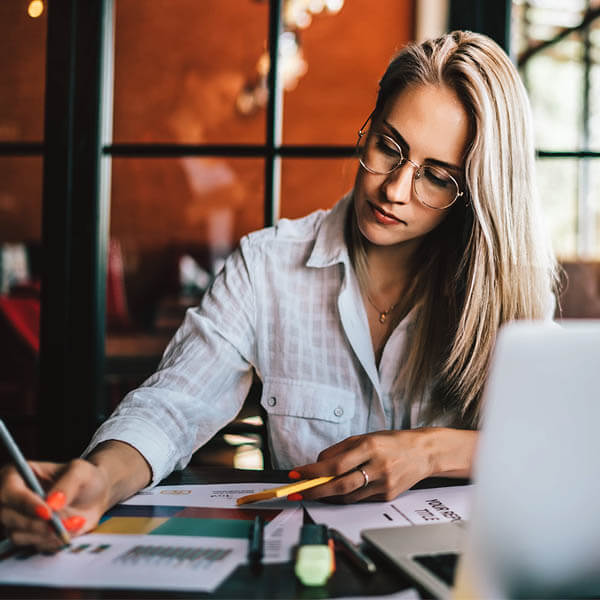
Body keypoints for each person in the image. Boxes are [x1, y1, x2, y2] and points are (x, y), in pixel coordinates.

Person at [0, 30, 558, 551]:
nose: (394, 189)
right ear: (369, 126)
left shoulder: (507, 290)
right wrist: (100, 477)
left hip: (463, 568)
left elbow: (567, 445)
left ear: (476, 193)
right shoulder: (268, 266)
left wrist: (431, 449)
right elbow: (172, 407)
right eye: (390, 146)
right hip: (306, 569)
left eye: (436, 176)